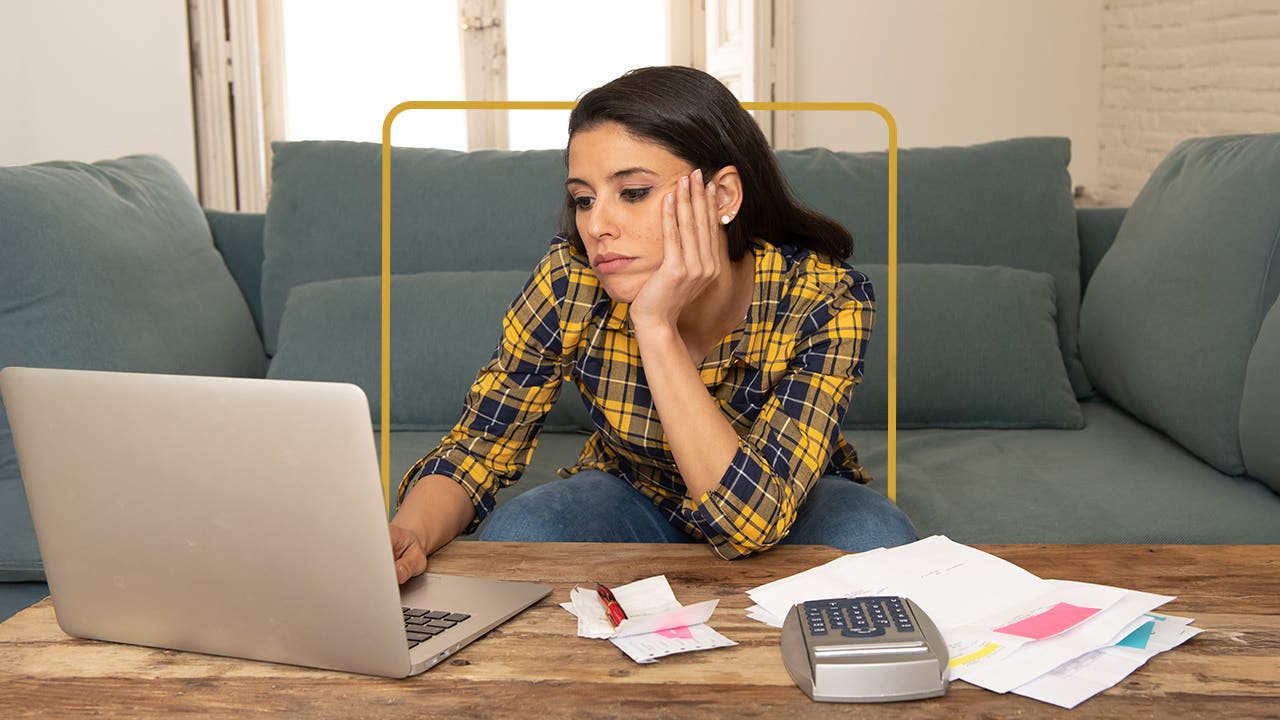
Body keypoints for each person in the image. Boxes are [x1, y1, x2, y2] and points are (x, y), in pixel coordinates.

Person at [389, 66, 916, 583]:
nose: (597, 226)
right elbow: (481, 446)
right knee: (519, 534)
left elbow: (751, 522)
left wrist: (656, 325)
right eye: (583, 199)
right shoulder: (569, 280)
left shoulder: (825, 298)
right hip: (637, 491)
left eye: (633, 192)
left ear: (723, 197)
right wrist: (407, 533)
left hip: (784, 503)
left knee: (879, 542)